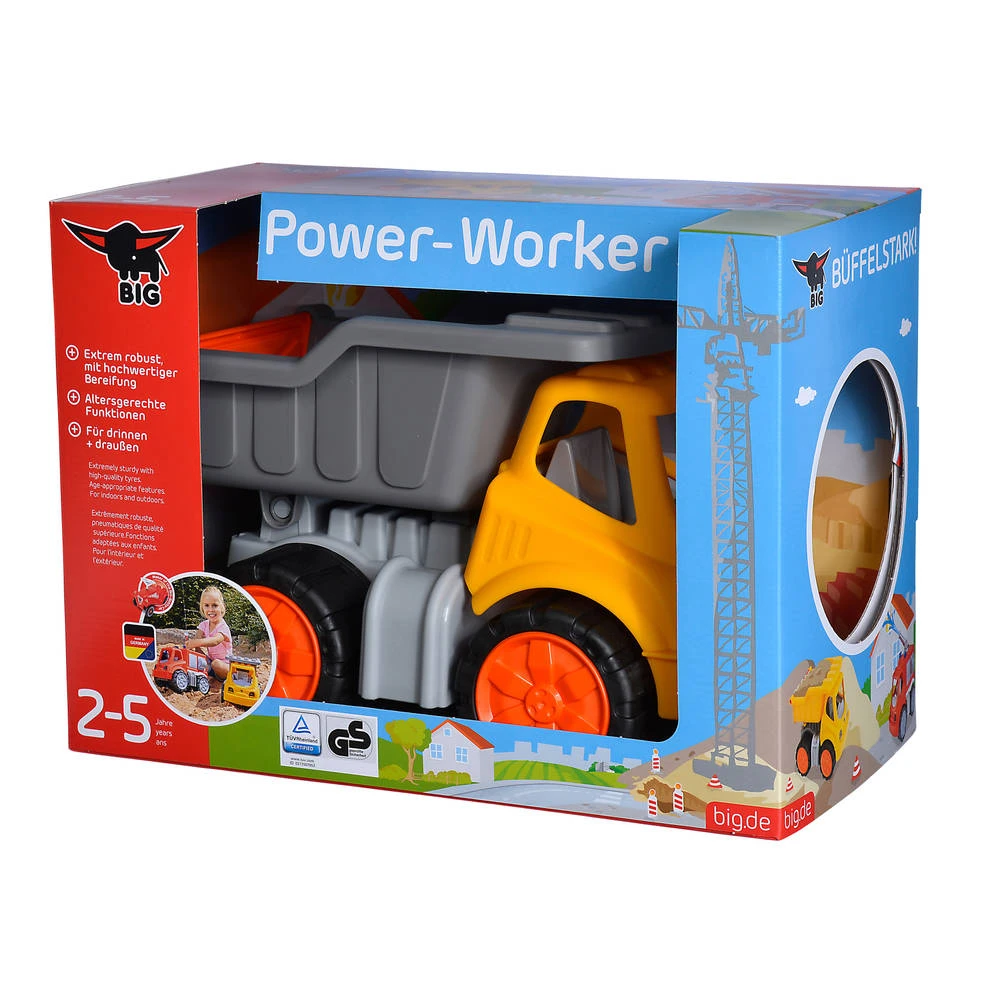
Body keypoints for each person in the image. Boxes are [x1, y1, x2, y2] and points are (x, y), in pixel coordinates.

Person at [185, 585, 233, 682]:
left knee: (216, 664)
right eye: (207, 605)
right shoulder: (203, 625)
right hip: (210, 662)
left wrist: (195, 643)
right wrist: (191, 644)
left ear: (222, 607)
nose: (211, 609)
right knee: (196, 652)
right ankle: (209, 673)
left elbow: (215, 641)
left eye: (215, 605)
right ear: (202, 607)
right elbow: (197, 640)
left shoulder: (223, 627)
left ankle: (227, 677)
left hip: (224, 665)